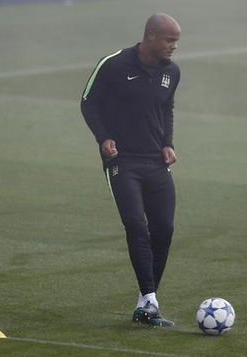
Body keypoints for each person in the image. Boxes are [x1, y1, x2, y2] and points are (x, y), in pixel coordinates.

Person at [80, 13, 181, 327]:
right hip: (122, 161)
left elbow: (166, 108)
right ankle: (150, 299)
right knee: (137, 225)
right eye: (169, 40)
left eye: (176, 41)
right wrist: (103, 138)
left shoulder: (171, 72)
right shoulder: (113, 64)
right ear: (150, 36)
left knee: (164, 228)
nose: (173, 47)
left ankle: (145, 305)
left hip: (155, 161)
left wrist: (167, 142)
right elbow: (88, 102)